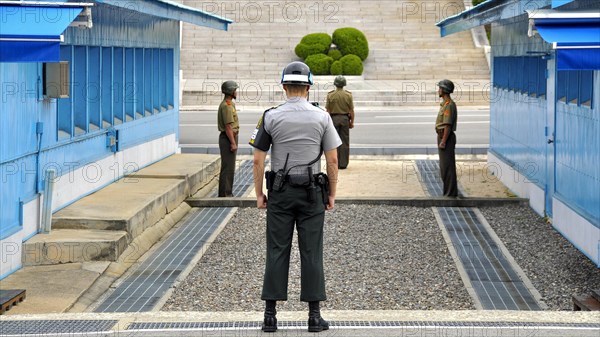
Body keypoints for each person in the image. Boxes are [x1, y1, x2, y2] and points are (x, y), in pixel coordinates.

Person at [249, 61, 341, 333]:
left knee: (277, 250)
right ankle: (314, 316)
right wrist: (332, 193)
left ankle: (270, 315)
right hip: (313, 194)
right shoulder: (321, 117)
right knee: (312, 251)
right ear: (309, 87)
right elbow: (333, 159)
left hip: (280, 193)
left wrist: (259, 194)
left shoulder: (270, 116)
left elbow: (257, 160)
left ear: (283, 86)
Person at [325, 75, 355, 169]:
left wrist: (328, 123)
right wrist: (352, 122)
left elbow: (328, 111)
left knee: (334, 142)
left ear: (335, 84)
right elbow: (351, 111)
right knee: (344, 142)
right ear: (344, 84)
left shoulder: (330, 95)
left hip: (333, 119)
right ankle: (343, 164)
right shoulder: (348, 95)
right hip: (345, 119)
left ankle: (335, 162)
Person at [435, 79, 458, 197]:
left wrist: (443, 141)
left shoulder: (449, 105)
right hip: (443, 137)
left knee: (447, 167)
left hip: (446, 138)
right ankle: (448, 192)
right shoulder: (445, 104)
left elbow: (447, 125)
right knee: (444, 168)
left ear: (444, 90)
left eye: (440, 88)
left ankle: (450, 194)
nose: (438, 90)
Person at [217, 80, 239, 197]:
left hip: (230, 137)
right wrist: (233, 143)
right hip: (228, 138)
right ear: (230, 91)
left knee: (230, 166)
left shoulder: (230, 104)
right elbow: (228, 126)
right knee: (227, 167)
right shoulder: (227, 106)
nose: (236, 92)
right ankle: (225, 194)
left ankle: (227, 192)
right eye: (235, 90)